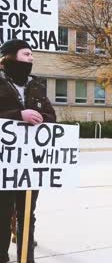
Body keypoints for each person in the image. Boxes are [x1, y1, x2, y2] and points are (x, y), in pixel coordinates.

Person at [0, 39, 56, 263]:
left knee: (27, 214)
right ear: (9, 58)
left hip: (30, 164)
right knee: (3, 213)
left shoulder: (37, 86)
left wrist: (43, 120)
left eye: (32, 55)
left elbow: (52, 117)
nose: (31, 58)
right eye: (26, 54)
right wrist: (18, 116)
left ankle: (26, 258)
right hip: (4, 163)